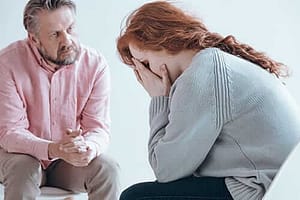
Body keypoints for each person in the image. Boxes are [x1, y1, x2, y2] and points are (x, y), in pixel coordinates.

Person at [116, 1, 300, 200]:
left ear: (162, 42)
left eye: (145, 63)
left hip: (257, 189)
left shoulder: (200, 76)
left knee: (135, 197)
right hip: (278, 182)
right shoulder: (213, 62)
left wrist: (159, 99)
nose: (145, 75)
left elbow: (165, 170)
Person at [0, 0, 120, 199]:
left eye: (70, 28)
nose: (67, 41)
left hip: (64, 164)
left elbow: (98, 128)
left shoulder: (95, 65)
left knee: (107, 169)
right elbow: (10, 133)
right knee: (25, 167)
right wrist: (53, 148)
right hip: (16, 156)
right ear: (34, 39)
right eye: (55, 34)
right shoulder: (7, 64)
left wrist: (86, 148)